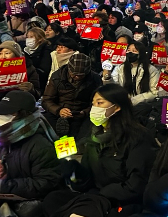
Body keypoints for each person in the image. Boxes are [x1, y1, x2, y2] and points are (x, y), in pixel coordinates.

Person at [43, 84, 157, 217]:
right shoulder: (94, 135)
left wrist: (102, 193)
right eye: (93, 103)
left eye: (100, 103)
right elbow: (87, 182)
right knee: (53, 200)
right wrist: (74, 171)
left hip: (122, 201)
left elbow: (136, 186)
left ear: (117, 107)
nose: (94, 108)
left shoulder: (138, 138)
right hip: (95, 196)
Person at [0, 91, 60, 217]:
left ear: (23, 115)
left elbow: (47, 182)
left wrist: (4, 187)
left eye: (7, 113)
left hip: (27, 203)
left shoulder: (40, 145)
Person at [42, 53, 101, 137]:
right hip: (58, 112)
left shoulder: (95, 80)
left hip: (82, 114)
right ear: (69, 69)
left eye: (80, 75)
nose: (76, 77)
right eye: (73, 74)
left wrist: (85, 112)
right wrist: (59, 110)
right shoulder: (57, 77)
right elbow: (46, 100)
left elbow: (98, 102)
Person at [102, 41, 161, 105]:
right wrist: (107, 77)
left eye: (134, 51)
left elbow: (154, 92)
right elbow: (113, 88)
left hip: (143, 105)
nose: (130, 53)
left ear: (141, 54)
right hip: (123, 104)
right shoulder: (120, 68)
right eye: (128, 50)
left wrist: (133, 101)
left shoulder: (151, 69)